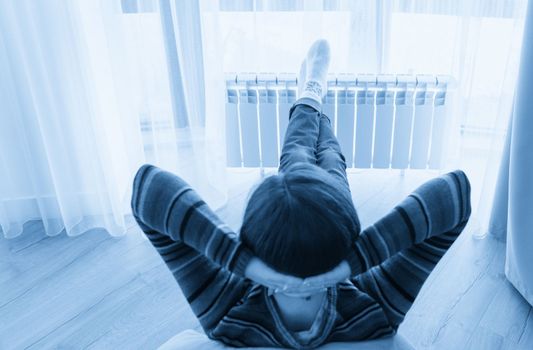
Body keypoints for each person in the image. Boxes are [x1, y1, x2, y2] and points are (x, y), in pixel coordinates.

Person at [131, 40, 471, 349]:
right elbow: (455, 195)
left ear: (249, 242)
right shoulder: (373, 307)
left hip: (326, 221)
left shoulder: (228, 313)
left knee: (297, 151)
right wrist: (351, 264)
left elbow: (148, 191)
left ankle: (311, 89)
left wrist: (247, 266)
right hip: (331, 211)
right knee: (328, 154)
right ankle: (313, 91)